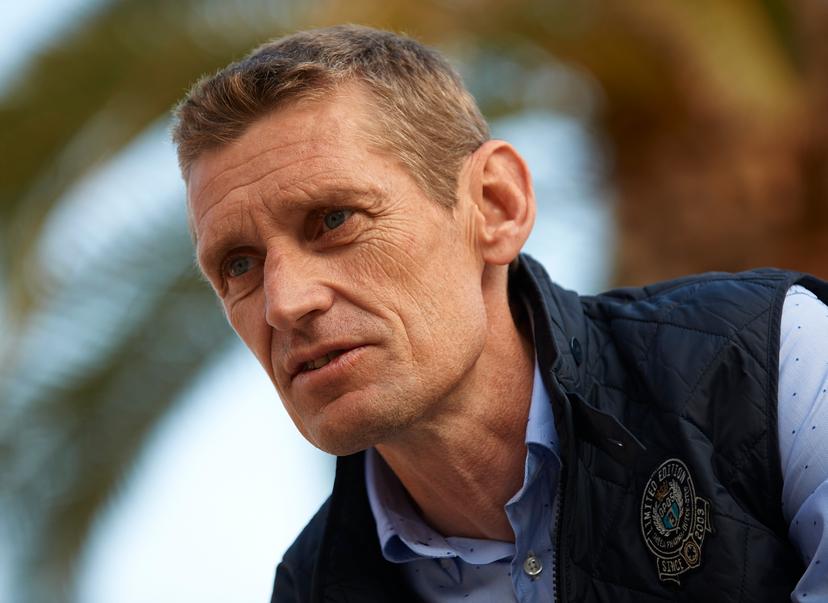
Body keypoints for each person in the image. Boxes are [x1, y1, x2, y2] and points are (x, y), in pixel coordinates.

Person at [171, 25, 828, 602]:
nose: (287, 301)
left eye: (334, 219)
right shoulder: (313, 587)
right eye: (238, 264)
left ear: (495, 205)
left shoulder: (770, 358)